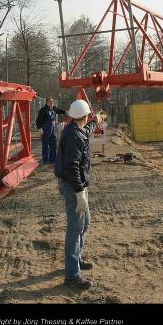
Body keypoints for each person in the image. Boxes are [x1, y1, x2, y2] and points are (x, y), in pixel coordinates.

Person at [54, 99, 104, 290]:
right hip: (72, 185)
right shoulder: (73, 136)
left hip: (76, 184)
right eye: (89, 117)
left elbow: (87, 130)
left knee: (85, 222)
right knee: (75, 228)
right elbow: (72, 167)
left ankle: (76, 260)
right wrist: (79, 193)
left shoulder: (76, 129)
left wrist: (96, 121)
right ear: (84, 116)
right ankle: (72, 276)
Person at [35, 97, 66, 164]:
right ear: (47, 103)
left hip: (52, 130)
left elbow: (59, 110)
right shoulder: (43, 110)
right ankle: (45, 160)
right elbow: (38, 120)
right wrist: (39, 128)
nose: (51, 103)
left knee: (53, 144)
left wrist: (66, 112)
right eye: (50, 102)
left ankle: (53, 159)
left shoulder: (53, 108)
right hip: (45, 130)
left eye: (52, 102)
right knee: (45, 146)